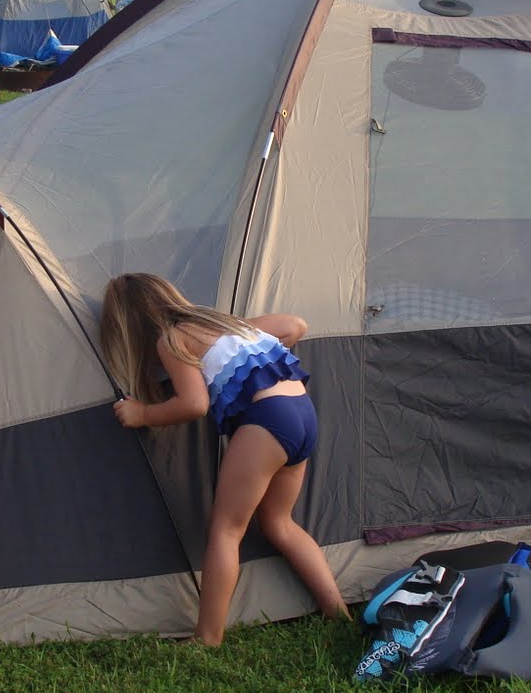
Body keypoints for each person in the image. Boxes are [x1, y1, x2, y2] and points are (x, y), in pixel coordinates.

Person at [100, 272, 349, 646]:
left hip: (267, 420)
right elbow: (294, 326)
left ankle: (207, 637)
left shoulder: (171, 339)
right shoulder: (226, 326)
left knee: (226, 530)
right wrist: (239, 352)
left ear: (132, 323)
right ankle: (338, 613)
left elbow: (194, 404)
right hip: (301, 413)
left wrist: (143, 414)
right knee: (279, 523)